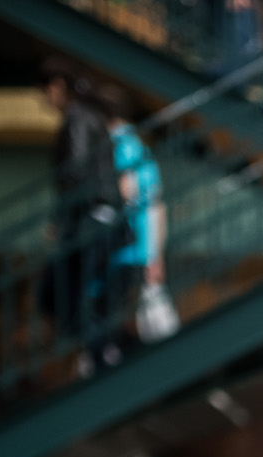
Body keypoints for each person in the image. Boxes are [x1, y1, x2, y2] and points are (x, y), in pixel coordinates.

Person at [40, 57, 127, 373]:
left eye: (45, 90)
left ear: (58, 87)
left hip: (89, 219)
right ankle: (100, 353)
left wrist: (60, 222)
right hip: (96, 218)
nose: (44, 99)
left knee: (67, 295)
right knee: (71, 295)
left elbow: (74, 174)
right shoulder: (88, 118)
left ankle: (103, 356)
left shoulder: (77, 120)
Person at [100, 83, 167, 351]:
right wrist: (155, 254)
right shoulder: (140, 147)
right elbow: (156, 206)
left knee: (112, 317)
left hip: (124, 247)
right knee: (131, 316)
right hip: (141, 247)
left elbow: (126, 192)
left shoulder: (118, 146)